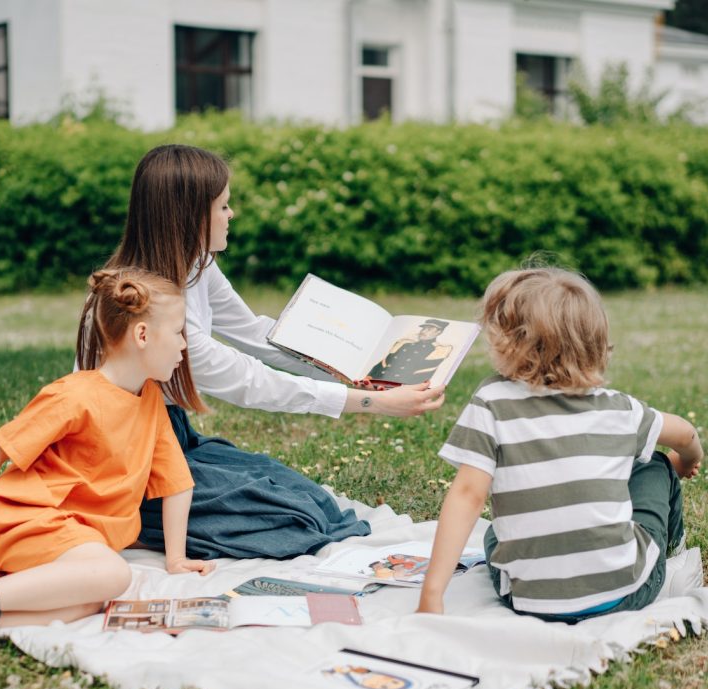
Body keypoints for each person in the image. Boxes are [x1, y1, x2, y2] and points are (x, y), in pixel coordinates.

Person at [91, 144, 446, 561]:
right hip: (128, 458)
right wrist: (372, 403)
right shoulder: (148, 308)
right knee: (296, 525)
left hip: (173, 437)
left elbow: (257, 335)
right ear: (188, 217)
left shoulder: (196, 265)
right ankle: (133, 520)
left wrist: (354, 368)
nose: (231, 214)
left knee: (314, 504)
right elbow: (252, 382)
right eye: (223, 206)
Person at [0, 268, 215, 670]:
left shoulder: (151, 401)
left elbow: (176, 482)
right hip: (28, 521)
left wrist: (175, 559)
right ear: (142, 336)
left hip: (71, 537)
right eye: (178, 331)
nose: (184, 344)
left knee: (92, 596)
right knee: (114, 574)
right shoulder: (76, 395)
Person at [416, 267, 703, 621]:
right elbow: (686, 435)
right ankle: (672, 556)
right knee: (654, 463)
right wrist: (685, 461)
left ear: (510, 342)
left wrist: (431, 595)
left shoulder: (492, 401)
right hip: (626, 594)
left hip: (531, 603)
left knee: (494, 535)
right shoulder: (617, 407)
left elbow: (467, 495)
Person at [367, 319, 453, 383]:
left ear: (439, 332)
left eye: (429, 329)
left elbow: (423, 374)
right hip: (379, 379)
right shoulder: (406, 344)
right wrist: (370, 376)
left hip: (400, 386)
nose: (423, 331)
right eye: (423, 328)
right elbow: (385, 362)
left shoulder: (436, 351)